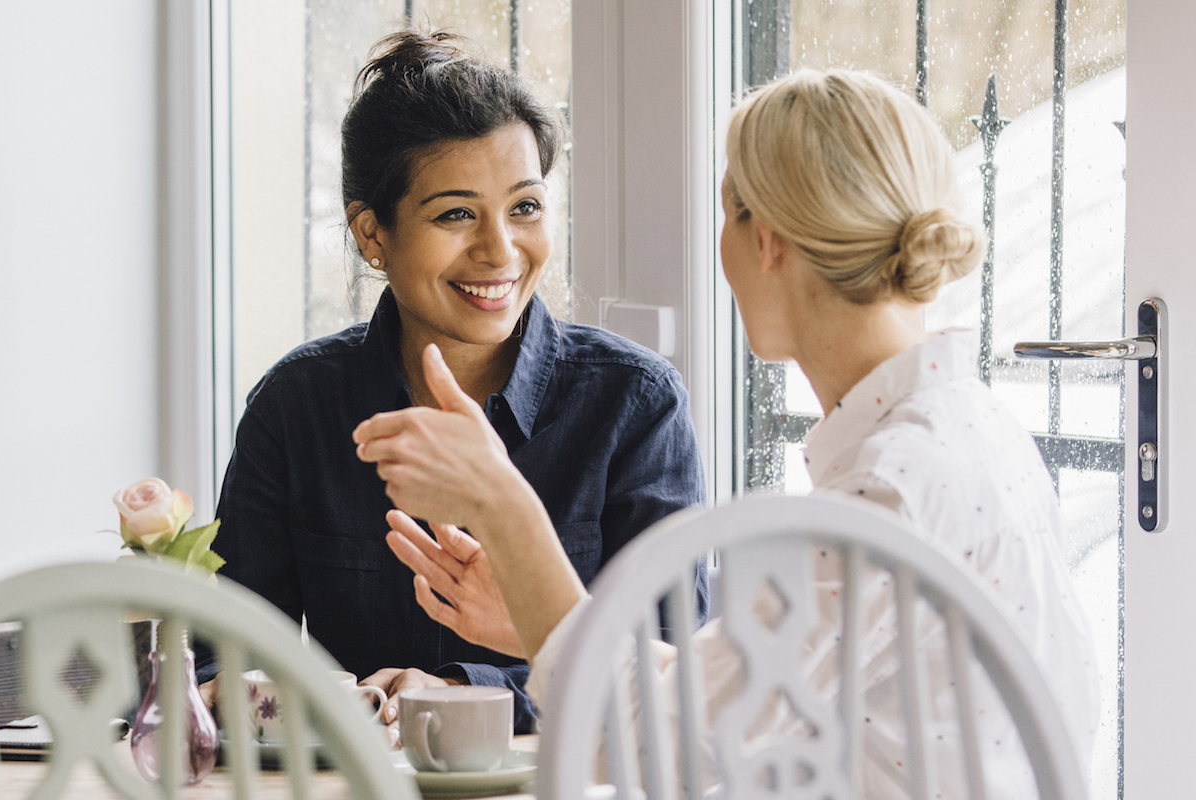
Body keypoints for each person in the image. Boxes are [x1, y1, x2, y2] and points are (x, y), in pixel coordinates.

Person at [355, 68, 1100, 796]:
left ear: (765, 239)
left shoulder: (890, 491)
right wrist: (531, 617)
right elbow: (731, 698)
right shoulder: (959, 434)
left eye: (724, 214)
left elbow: (652, 750)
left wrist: (503, 503)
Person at [197, 29, 708, 738]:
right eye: (456, 214)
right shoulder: (296, 406)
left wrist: (457, 693)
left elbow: (677, 674)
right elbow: (219, 658)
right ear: (371, 233)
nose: (500, 249)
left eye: (524, 207)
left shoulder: (635, 404)